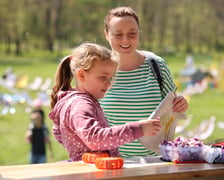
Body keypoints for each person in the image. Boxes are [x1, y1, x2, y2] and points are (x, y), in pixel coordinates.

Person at [48, 42, 162, 161]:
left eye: (110, 78)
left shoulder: (75, 101)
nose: (108, 83)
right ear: (81, 75)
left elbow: (58, 132)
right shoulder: (81, 105)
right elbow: (95, 138)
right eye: (103, 77)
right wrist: (139, 129)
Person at [100, 6, 188, 158]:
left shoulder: (157, 65)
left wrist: (181, 104)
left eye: (132, 34)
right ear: (107, 35)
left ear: (139, 33)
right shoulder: (98, 71)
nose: (126, 40)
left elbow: (172, 108)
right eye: (118, 34)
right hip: (113, 164)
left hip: (158, 162)